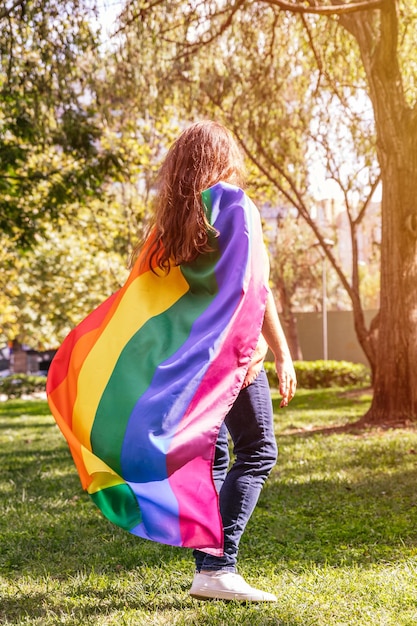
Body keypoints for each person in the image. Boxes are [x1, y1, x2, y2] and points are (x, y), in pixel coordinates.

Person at [134, 120, 297, 602]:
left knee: (219, 457)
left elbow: (150, 296)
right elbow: (253, 286)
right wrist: (264, 349)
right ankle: (217, 568)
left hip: (191, 357)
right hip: (233, 352)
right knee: (258, 450)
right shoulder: (235, 203)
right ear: (221, 156)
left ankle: (210, 570)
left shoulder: (170, 222)